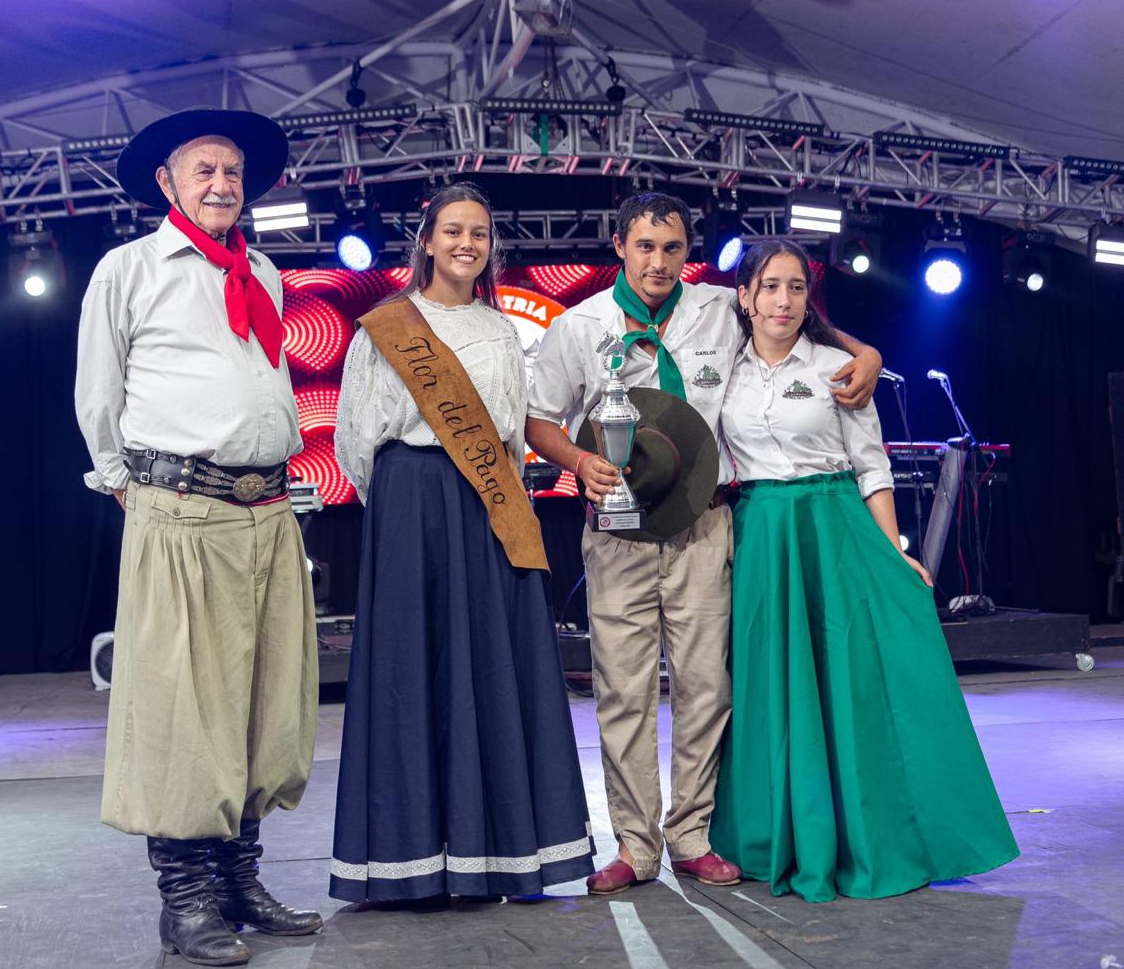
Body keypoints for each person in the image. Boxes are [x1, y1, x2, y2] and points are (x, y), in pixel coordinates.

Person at [524, 193, 884, 895]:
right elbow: (539, 421)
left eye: (671, 248)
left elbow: (800, 319)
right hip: (618, 531)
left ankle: (691, 833)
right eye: (645, 247)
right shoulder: (578, 327)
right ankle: (634, 842)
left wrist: (865, 350)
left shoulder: (719, 308)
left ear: (687, 252)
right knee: (623, 690)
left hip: (705, 523)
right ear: (620, 247)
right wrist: (578, 461)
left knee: (705, 685)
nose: (658, 262)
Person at [75, 109, 322, 966]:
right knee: (186, 711)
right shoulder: (130, 269)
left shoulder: (259, 270)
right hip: (181, 509)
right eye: (205, 170)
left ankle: (237, 883)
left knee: (262, 705)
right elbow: (98, 397)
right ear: (168, 183)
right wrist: (131, 487)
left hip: (266, 510)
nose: (222, 183)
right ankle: (184, 904)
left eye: (233, 172)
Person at [709, 239, 1020, 902]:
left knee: (851, 683)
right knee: (771, 685)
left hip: (833, 526)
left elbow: (871, 464)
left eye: (796, 288)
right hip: (759, 531)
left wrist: (893, 550)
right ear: (744, 295)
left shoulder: (838, 366)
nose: (783, 301)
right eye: (769, 287)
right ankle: (777, 836)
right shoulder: (722, 367)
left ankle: (872, 833)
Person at [329, 182, 595, 903]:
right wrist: (407, 504)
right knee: (414, 668)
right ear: (427, 240)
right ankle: (413, 858)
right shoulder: (383, 327)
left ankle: (496, 855)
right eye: (452, 231)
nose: (465, 244)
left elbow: (510, 431)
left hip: (487, 508)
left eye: (478, 233)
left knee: (487, 671)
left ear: (490, 246)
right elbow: (356, 440)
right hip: (411, 503)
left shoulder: (503, 329)